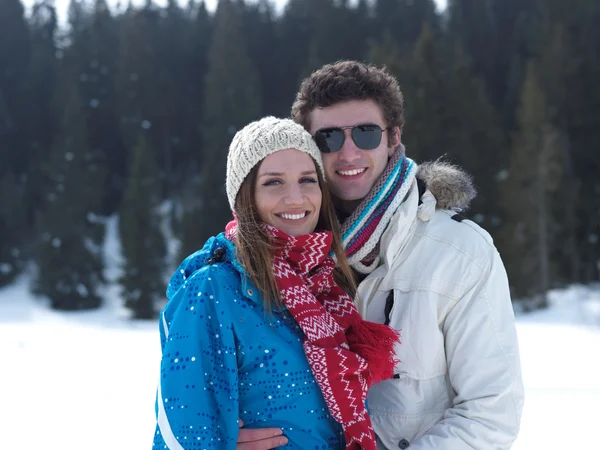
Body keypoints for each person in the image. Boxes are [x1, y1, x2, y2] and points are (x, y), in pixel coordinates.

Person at [238, 61, 524, 450]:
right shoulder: (269, 257)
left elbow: (491, 413)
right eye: (328, 139)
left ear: (393, 139)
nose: (349, 153)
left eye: (367, 133)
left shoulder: (460, 254)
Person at [152, 116, 401, 450]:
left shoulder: (328, 289)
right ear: (246, 197)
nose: (296, 198)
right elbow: (180, 430)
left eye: (307, 180)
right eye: (273, 183)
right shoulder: (213, 290)